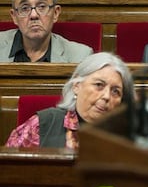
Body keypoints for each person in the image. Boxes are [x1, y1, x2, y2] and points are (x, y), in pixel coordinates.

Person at [5, 52, 135, 149]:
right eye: (99, 85)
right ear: (77, 86)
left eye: (115, 91)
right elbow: (8, 171)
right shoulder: (43, 124)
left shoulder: (126, 139)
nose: (107, 96)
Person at [0, 0, 93, 62]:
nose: (33, 15)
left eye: (41, 6)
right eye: (25, 8)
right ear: (14, 16)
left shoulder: (80, 56)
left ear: (55, 13)